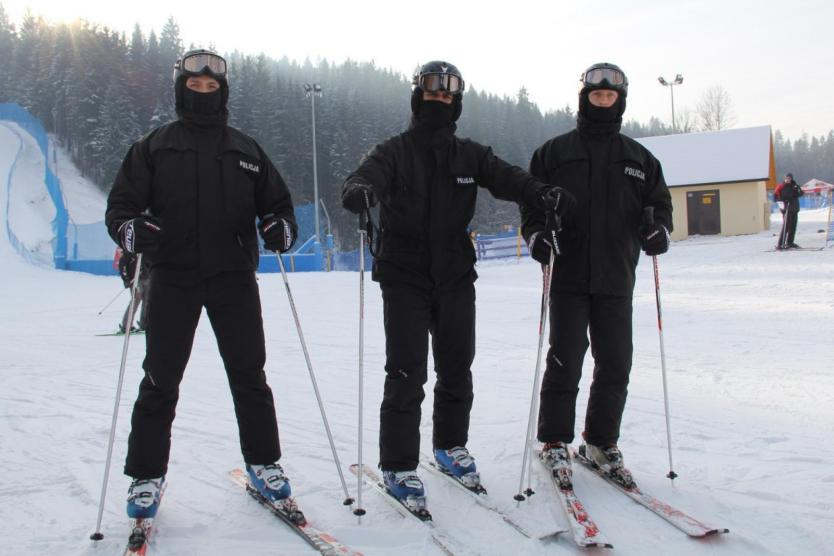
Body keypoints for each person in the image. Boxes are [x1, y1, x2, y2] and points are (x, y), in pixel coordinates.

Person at [341, 60, 574, 509]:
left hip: (454, 275)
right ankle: (399, 465)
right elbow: (362, 178)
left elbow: (509, 178)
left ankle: (450, 446)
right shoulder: (394, 150)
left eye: (446, 97)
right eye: (431, 95)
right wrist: (359, 191)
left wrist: (540, 193)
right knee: (407, 372)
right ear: (417, 98)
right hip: (404, 275)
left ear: (456, 104)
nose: (438, 102)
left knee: (456, 367)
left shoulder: (470, 155)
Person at [105, 49, 298, 519]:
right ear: (181, 89)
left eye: (212, 88)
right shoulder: (153, 147)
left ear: (223, 92)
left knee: (250, 376)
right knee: (160, 378)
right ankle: (146, 476)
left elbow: (280, 207)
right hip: (173, 277)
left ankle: (263, 463)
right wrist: (130, 231)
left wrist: (280, 229)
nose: (204, 94)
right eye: (196, 87)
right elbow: (121, 207)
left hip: (233, 278)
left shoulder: (247, 150)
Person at [521, 63, 673, 488]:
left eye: (609, 96)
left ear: (619, 101)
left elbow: (661, 207)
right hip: (568, 273)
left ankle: (600, 442)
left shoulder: (640, 159)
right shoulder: (554, 152)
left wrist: (659, 228)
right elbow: (531, 204)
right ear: (584, 98)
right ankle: (554, 442)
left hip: (617, 276)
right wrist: (535, 235)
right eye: (596, 95)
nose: (602, 101)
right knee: (565, 359)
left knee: (615, 364)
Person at [114, 247, 150, 333]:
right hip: (135, 281)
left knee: (147, 301)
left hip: (147, 279)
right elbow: (122, 267)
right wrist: (126, 280)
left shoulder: (144, 253)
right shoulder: (128, 254)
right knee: (135, 301)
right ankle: (126, 325)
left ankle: (144, 324)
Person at [774, 172, 803, 249]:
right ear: (785, 178)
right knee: (786, 227)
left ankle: (789, 242)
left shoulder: (794, 186)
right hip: (787, 209)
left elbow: (800, 193)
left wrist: (797, 188)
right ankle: (780, 244)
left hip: (795, 209)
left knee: (793, 227)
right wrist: (783, 202)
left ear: (791, 179)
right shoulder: (781, 186)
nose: (788, 179)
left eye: (789, 178)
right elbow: (776, 197)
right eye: (787, 178)